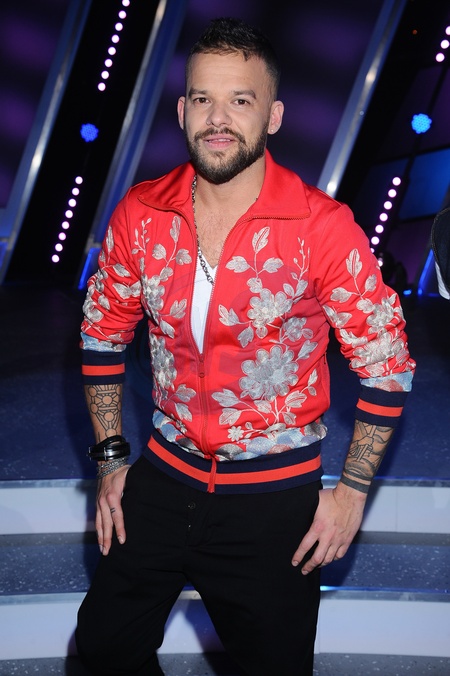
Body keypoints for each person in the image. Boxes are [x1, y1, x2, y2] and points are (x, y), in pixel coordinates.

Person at [75, 17, 415, 676]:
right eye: (203, 98)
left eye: (240, 100)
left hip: (273, 499)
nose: (218, 119)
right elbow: (101, 335)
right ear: (182, 110)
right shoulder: (141, 214)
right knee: (105, 644)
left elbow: (388, 365)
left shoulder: (322, 227)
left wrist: (351, 493)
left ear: (274, 116)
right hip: (164, 476)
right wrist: (111, 457)